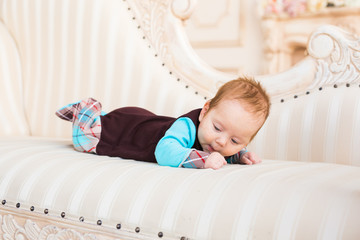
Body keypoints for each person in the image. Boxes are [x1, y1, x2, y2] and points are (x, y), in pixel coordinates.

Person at [56, 77, 270, 170]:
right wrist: (203, 159)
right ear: (205, 112)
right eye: (217, 128)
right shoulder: (187, 126)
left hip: (147, 121)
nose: (221, 141)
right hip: (126, 129)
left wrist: (241, 155)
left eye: (235, 140)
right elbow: (165, 152)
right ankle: (85, 113)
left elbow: (223, 151)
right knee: (90, 137)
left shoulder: (221, 143)